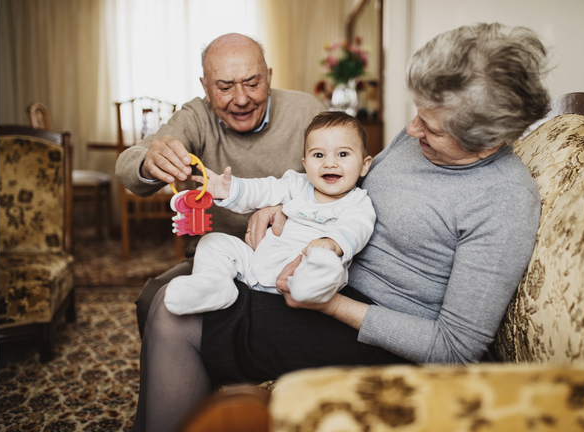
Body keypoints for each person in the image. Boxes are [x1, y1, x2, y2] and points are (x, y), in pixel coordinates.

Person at [131, 23, 551, 432]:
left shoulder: (503, 199)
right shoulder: (421, 136)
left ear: (488, 141)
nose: (411, 130)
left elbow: (454, 347)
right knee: (171, 296)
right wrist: (286, 204)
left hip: (374, 327)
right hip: (326, 272)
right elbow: (354, 183)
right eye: (418, 114)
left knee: (176, 315)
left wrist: (330, 304)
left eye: (431, 128)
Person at [115, 33, 325, 337]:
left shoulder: (307, 111)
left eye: (252, 83)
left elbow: (347, 178)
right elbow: (127, 165)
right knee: (153, 301)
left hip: (291, 255)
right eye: (224, 87)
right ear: (205, 87)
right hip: (216, 259)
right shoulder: (196, 116)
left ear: (268, 77)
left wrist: (289, 206)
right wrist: (149, 161)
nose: (241, 99)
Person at [164, 112, 375, 315]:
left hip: (302, 270)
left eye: (343, 154)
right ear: (305, 163)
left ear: (364, 165)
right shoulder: (296, 183)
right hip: (256, 263)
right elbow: (263, 189)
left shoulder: (358, 202)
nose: (330, 163)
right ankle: (215, 285)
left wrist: (331, 243)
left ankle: (308, 289)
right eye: (318, 155)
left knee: (326, 266)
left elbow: (356, 228)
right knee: (213, 242)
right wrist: (229, 189)